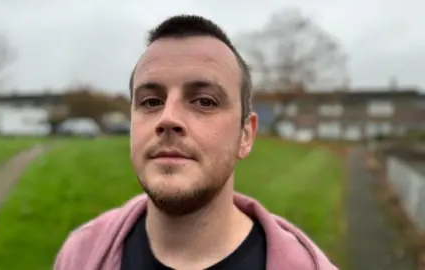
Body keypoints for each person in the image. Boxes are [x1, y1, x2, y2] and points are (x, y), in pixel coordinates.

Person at [54, 14, 338, 270]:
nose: (167, 118)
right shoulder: (80, 255)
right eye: (151, 101)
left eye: (204, 101)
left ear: (246, 135)